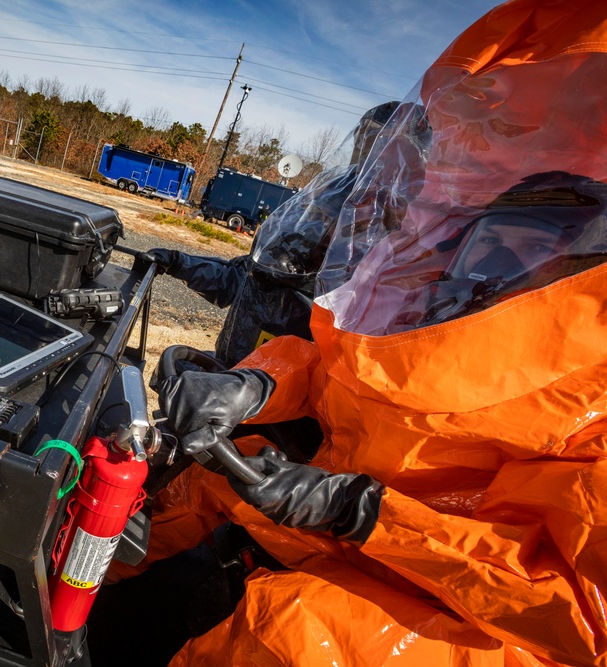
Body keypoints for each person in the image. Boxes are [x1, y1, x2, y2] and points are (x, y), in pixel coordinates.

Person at [131, 1, 607, 665]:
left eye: (530, 244)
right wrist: (255, 385)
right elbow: (343, 368)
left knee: (292, 635)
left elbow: (581, 613)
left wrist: (362, 509)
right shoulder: (452, 283)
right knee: (198, 477)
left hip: (451, 603)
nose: (491, 266)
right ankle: (66, 578)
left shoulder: (585, 396)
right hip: (351, 523)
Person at [137, 100, 403, 367]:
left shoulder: (352, 294)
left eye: (326, 218)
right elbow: (241, 278)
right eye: (315, 214)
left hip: (274, 400)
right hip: (234, 374)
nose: (317, 224)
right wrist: (178, 262)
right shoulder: (294, 253)